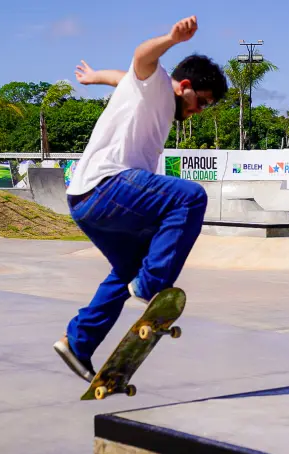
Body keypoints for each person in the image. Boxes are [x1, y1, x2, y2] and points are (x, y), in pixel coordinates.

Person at [53, 16, 228, 382]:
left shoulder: (144, 90)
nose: (199, 111)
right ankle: (150, 285)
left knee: (127, 268)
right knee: (190, 198)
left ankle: (78, 342)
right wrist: (171, 38)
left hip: (84, 201)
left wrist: (96, 76)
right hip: (108, 186)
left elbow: (122, 77)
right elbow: (140, 56)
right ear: (184, 86)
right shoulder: (158, 85)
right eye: (202, 102)